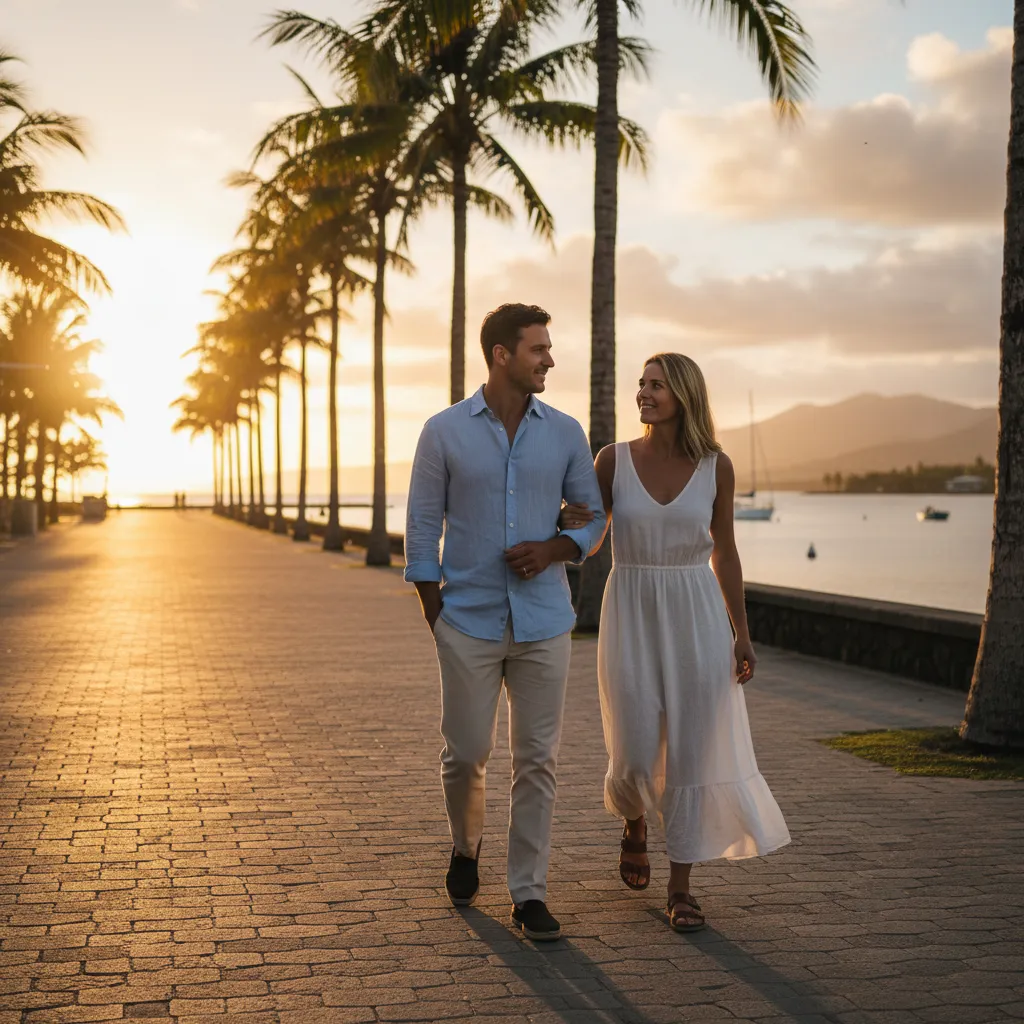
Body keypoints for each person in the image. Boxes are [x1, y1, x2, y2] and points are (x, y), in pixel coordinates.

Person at [559, 353, 790, 933]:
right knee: (634, 745)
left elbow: (726, 553)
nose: (644, 392)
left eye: (656, 385)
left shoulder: (717, 466)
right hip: (631, 608)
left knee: (689, 750)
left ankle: (681, 886)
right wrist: (550, 539)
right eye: (641, 383)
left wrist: (742, 633)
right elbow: (589, 528)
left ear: (684, 394)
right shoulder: (613, 460)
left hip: (697, 616)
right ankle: (634, 820)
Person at [404, 303, 606, 941]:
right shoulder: (443, 432)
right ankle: (466, 848)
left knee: (537, 760)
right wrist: (436, 612)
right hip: (467, 622)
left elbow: (595, 517)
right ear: (501, 354)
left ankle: (529, 893)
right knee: (466, 755)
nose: (549, 358)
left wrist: (554, 550)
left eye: (548, 347)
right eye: (538, 348)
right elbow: (420, 527)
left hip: (546, 621)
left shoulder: (567, 433)